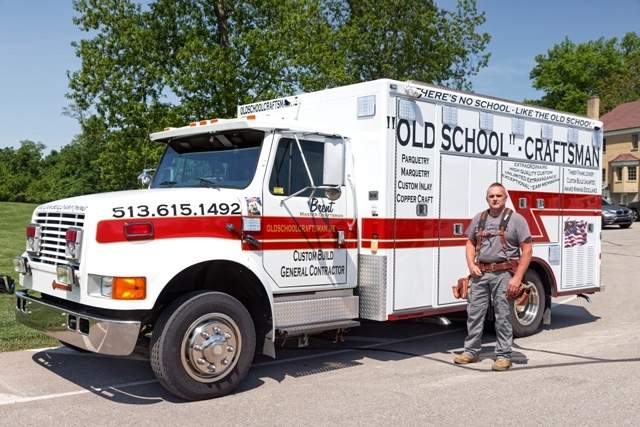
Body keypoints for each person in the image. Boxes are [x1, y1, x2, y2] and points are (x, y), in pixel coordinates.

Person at [453, 182, 532, 371]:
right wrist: (471, 265)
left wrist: (517, 278)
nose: (495, 199)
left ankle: (504, 356)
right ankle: (471, 352)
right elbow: (470, 243)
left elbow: (527, 250)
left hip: (504, 274)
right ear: (487, 198)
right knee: (474, 314)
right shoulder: (479, 218)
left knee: (503, 315)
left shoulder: (517, 220)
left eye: (499, 196)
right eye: (491, 196)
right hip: (480, 273)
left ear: (505, 198)